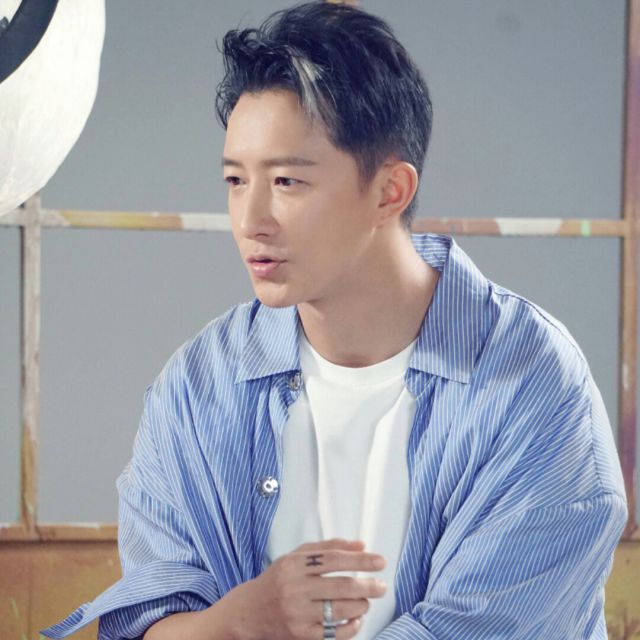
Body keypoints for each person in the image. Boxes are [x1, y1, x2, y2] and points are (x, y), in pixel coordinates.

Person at [43, 2, 627, 639]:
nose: (250, 220)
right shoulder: (198, 387)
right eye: (235, 180)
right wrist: (241, 621)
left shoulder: (531, 384)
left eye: (286, 182)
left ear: (389, 191)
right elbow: (146, 624)